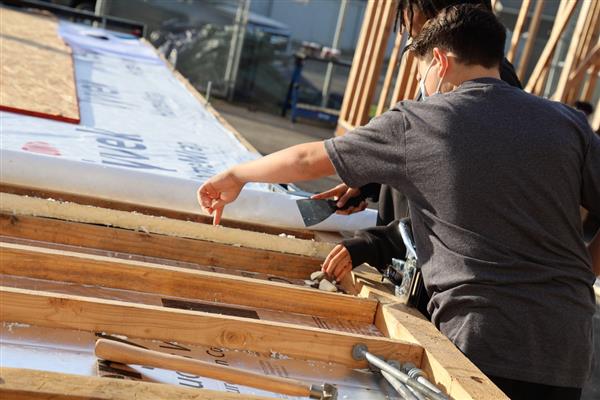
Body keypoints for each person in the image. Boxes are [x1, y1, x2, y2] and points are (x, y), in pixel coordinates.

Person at [198, 5, 599, 399]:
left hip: (479, 341)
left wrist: (237, 176)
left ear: (439, 61)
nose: (421, 82)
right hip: (566, 345)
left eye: (421, 69)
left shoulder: (421, 120)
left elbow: (308, 159)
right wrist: (584, 270)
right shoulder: (566, 123)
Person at [314, 0, 522, 309]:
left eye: (416, 32)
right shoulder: (452, 72)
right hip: (415, 260)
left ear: (445, 16)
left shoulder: (481, 91)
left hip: (446, 284)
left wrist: (374, 244)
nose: (415, 46)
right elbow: (428, 160)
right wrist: (372, 184)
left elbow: (461, 211)